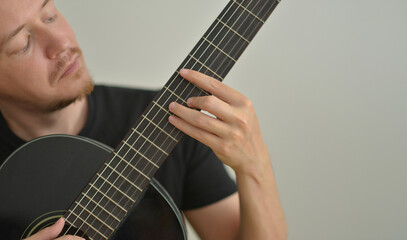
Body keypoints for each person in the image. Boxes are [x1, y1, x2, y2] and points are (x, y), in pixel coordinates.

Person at [0, 0, 287, 239]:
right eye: (23, 45)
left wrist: (254, 166)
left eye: (49, 16)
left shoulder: (173, 118)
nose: (61, 43)